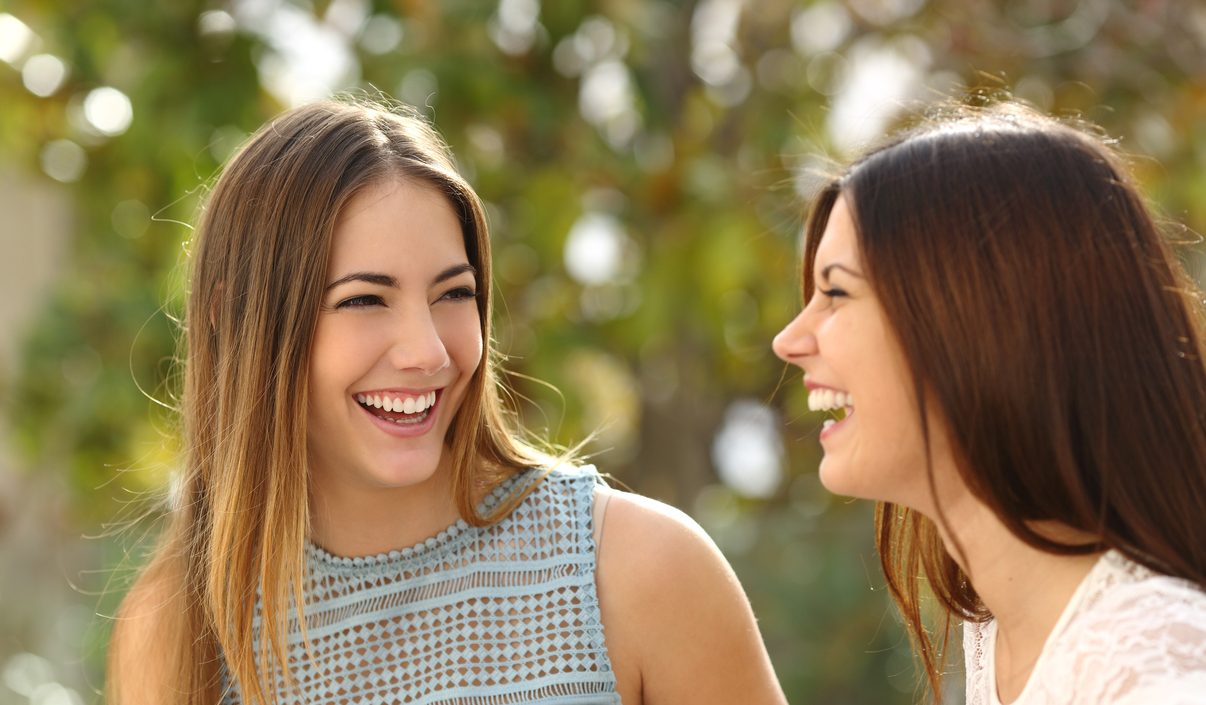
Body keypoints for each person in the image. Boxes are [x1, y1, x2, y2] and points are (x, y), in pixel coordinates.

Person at [107, 98, 787, 705]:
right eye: (365, 299)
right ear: (235, 318)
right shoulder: (175, 631)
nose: (428, 350)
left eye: (454, 294)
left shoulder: (640, 570)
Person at [773, 101, 1206, 704]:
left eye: (837, 292)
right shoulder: (1004, 635)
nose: (788, 341)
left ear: (981, 322)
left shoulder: (1158, 670)